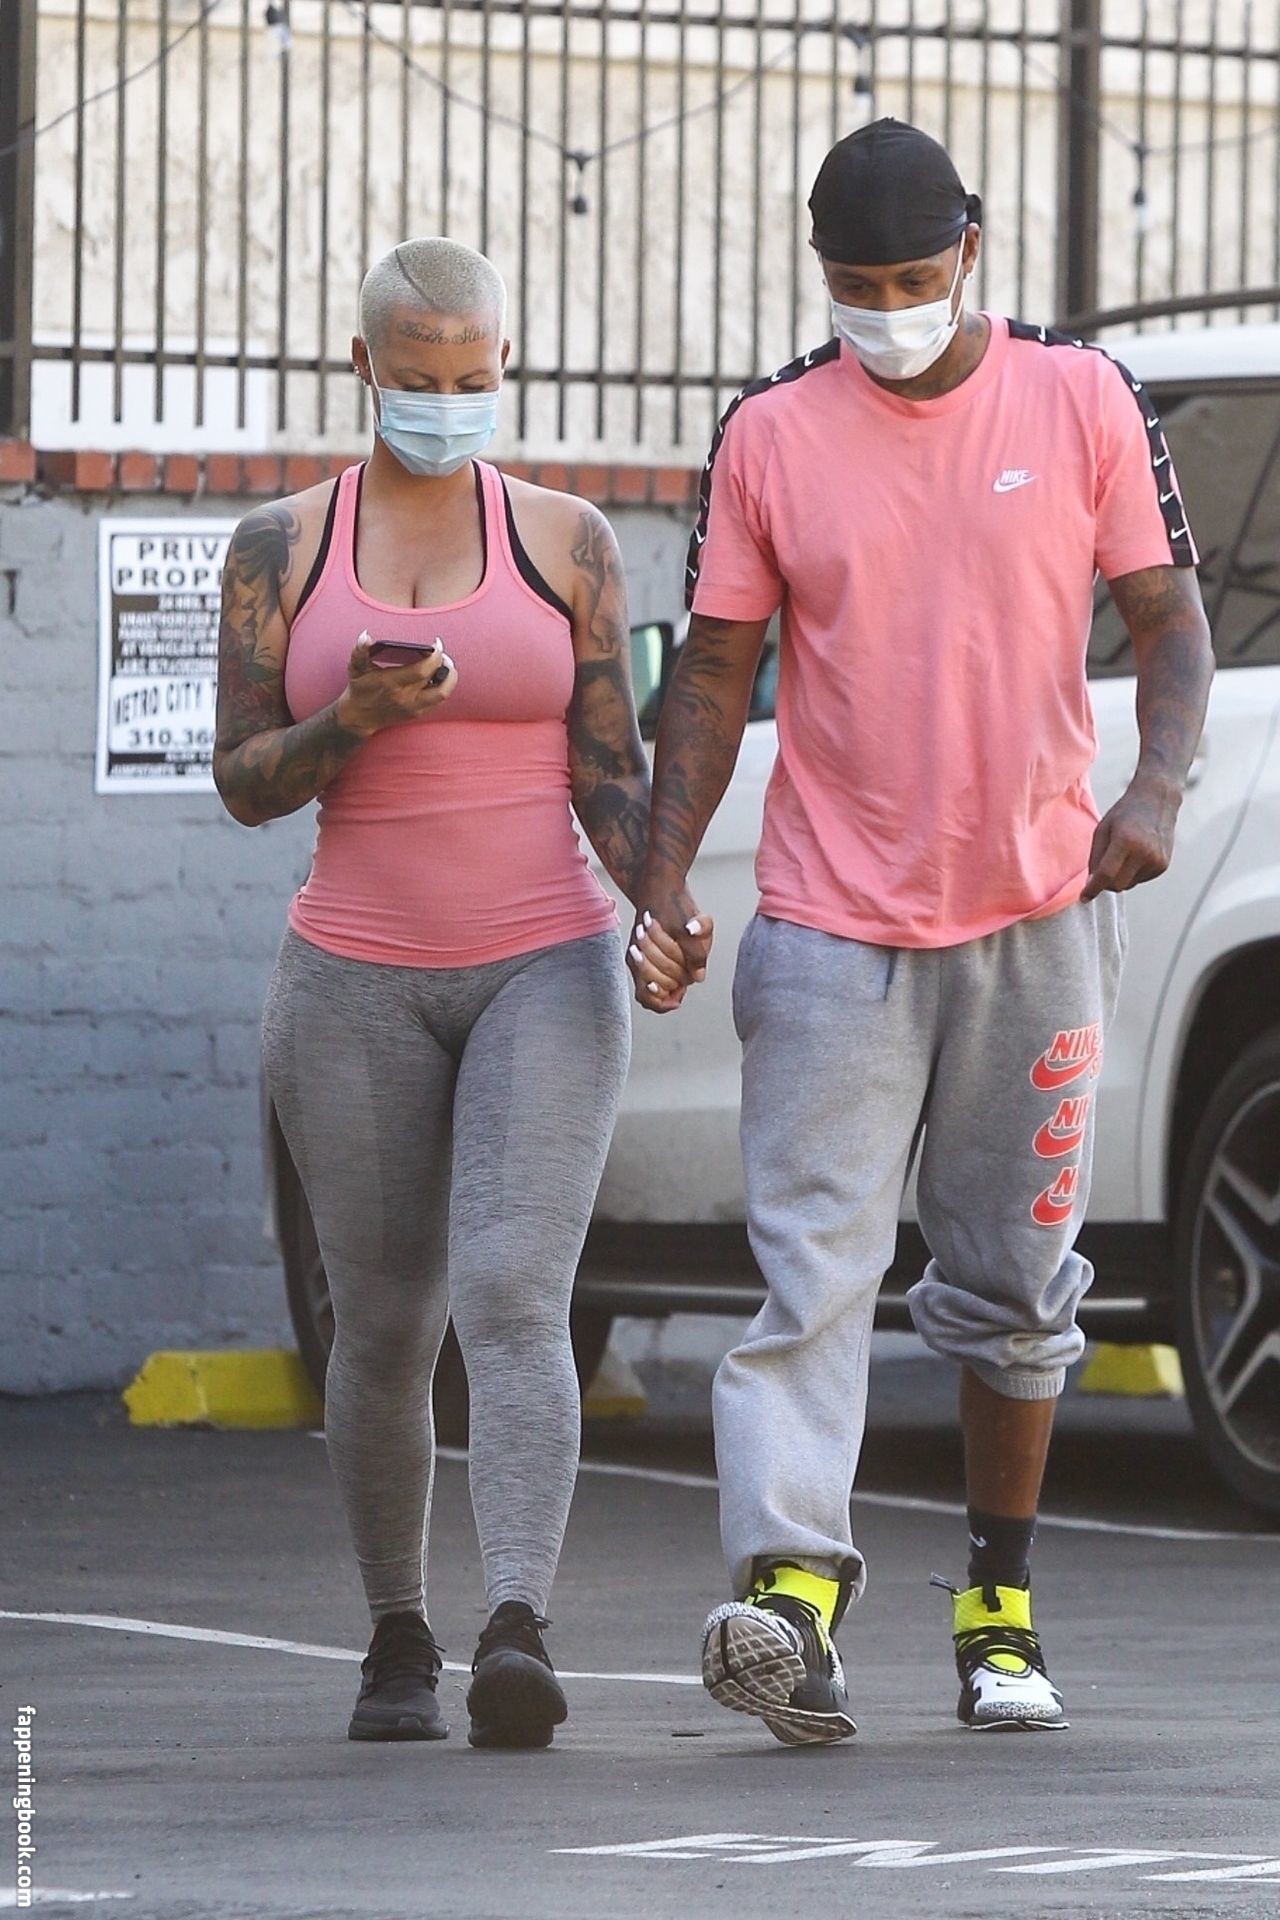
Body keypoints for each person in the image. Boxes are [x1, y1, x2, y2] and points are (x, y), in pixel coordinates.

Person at [629, 119, 1213, 1743]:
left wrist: (1157, 786)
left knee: (1018, 1285)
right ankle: (790, 1601)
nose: (884, 309)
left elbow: (1169, 619)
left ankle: (997, 1608)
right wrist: (662, 881)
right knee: (811, 1273)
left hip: (1037, 917)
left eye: (910, 278)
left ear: (971, 250)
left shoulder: (1082, 399)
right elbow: (714, 672)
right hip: (830, 924)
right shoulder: (769, 433)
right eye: (855, 284)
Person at [213, 237, 708, 1750]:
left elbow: (608, 771)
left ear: (506, 369)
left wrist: (664, 903)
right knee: (380, 1323)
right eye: (418, 378)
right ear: (364, 368)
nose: (445, 402)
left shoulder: (566, 542)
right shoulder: (280, 546)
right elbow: (242, 781)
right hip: (351, 977)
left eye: (473, 378)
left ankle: (516, 1628)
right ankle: (396, 1636)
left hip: (544, 964)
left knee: (511, 1295)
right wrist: (351, 720)